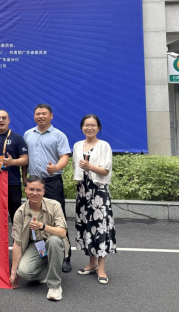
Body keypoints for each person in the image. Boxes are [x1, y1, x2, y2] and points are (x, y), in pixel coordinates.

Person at [24, 104, 72, 272]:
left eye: (44, 113)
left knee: (59, 218)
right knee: (34, 219)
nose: (40, 116)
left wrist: (57, 167)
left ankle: (66, 257)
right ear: (34, 116)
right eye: (38, 114)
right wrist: (24, 178)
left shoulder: (59, 135)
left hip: (52, 182)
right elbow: (25, 158)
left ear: (51, 115)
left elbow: (65, 156)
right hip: (33, 184)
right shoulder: (28, 134)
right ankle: (42, 255)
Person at [9, 175, 69, 301]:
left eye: (38, 190)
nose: (35, 193)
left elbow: (63, 233)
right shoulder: (20, 213)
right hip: (36, 245)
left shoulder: (54, 205)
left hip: (55, 243)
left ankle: (55, 286)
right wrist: (13, 273)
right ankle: (48, 270)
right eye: (31, 189)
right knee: (23, 272)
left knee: (53, 241)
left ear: (43, 191)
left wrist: (42, 226)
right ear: (26, 190)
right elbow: (17, 243)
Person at [73, 114, 116, 284]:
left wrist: (89, 166)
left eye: (93, 125)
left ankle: (101, 268)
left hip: (99, 192)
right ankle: (91, 263)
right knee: (86, 226)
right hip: (83, 191)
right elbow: (77, 169)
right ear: (82, 127)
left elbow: (105, 170)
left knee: (101, 228)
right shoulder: (77, 145)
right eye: (86, 125)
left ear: (99, 128)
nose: (89, 128)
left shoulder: (104, 145)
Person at [0, 110, 29, 222]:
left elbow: (25, 159)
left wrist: (12, 162)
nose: (1, 120)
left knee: (16, 217)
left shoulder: (17, 138)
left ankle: (17, 234)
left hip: (13, 183)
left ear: (8, 120)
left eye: (4, 118)